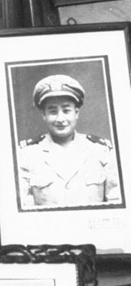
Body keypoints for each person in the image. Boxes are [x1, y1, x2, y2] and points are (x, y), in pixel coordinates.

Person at [19, 74, 121, 209]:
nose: (60, 119)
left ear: (76, 113)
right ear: (44, 115)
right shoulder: (27, 155)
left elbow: (117, 203)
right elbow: (23, 212)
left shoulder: (101, 151)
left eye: (66, 110)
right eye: (53, 111)